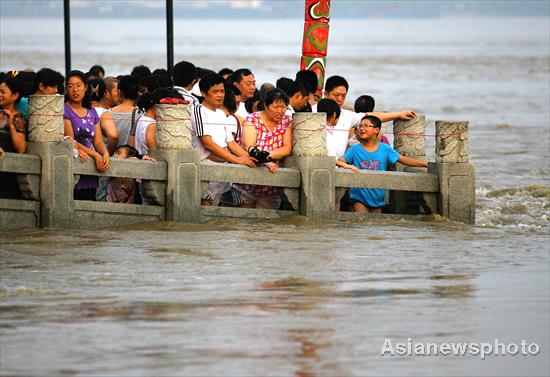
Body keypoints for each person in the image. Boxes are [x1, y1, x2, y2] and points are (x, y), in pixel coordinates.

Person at [338, 115, 427, 213]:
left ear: (376, 130)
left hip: (378, 195)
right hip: (359, 195)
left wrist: (425, 164)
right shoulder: (355, 149)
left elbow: (403, 159)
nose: (362, 128)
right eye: (360, 126)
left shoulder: (385, 149)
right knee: (362, 222)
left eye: (366, 126)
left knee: (376, 225)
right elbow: (341, 161)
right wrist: (346, 165)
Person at [191, 73, 256, 206]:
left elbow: (231, 143)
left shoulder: (221, 113)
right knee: (204, 208)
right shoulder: (198, 110)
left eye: (222, 91)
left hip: (221, 169)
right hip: (204, 170)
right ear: (204, 93)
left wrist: (250, 158)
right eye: (215, 92)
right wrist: (237, 160)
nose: (220, 95)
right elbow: (208, 144)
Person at [314, 75, 415, 159]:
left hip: (338, 165)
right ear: (326, 94)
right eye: (336, 95)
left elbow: (372, 117)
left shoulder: (347, 115)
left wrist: (399, 114)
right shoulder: (312, 112)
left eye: (343, 96)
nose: (340, 99)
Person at [233, 88, 293, 209]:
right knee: (244, 222)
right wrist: (263, 160)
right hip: (247, 181)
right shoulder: (252, 119)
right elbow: (249, 146)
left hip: (271, 185)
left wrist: (265, 155)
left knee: (267, 225)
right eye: (276, 107)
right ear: (265, 105)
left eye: (283, 107)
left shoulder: (288, 121)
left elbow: (287, 149)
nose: (280, 111)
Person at [63, 70, 110, 201]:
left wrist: (104, 153)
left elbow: (98, 141)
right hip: (75, 163)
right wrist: (95, 155)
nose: (75, 90)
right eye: (71, 86)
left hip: (91, 167)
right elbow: (70, 140)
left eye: (78, 85)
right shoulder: (64, 110)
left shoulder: (92, 112)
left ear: (86, 87)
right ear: (66, 89)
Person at [0, 76, 28, 198]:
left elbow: (21, 148)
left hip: (7, 173)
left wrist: (11, 124)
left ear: (15, 95)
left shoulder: (18, 118)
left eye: (3, 92)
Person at [88, 77, 118, 154]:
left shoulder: (80, 111)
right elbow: (113, 135)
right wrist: (108, 153)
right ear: (105, 93)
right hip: (99, 157)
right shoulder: (104, 113)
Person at [111, 75, 141, 148]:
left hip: (111, 156)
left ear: (120, 91)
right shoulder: (141, 114)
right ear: (137, 92)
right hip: (133, 157)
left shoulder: (108, 113)